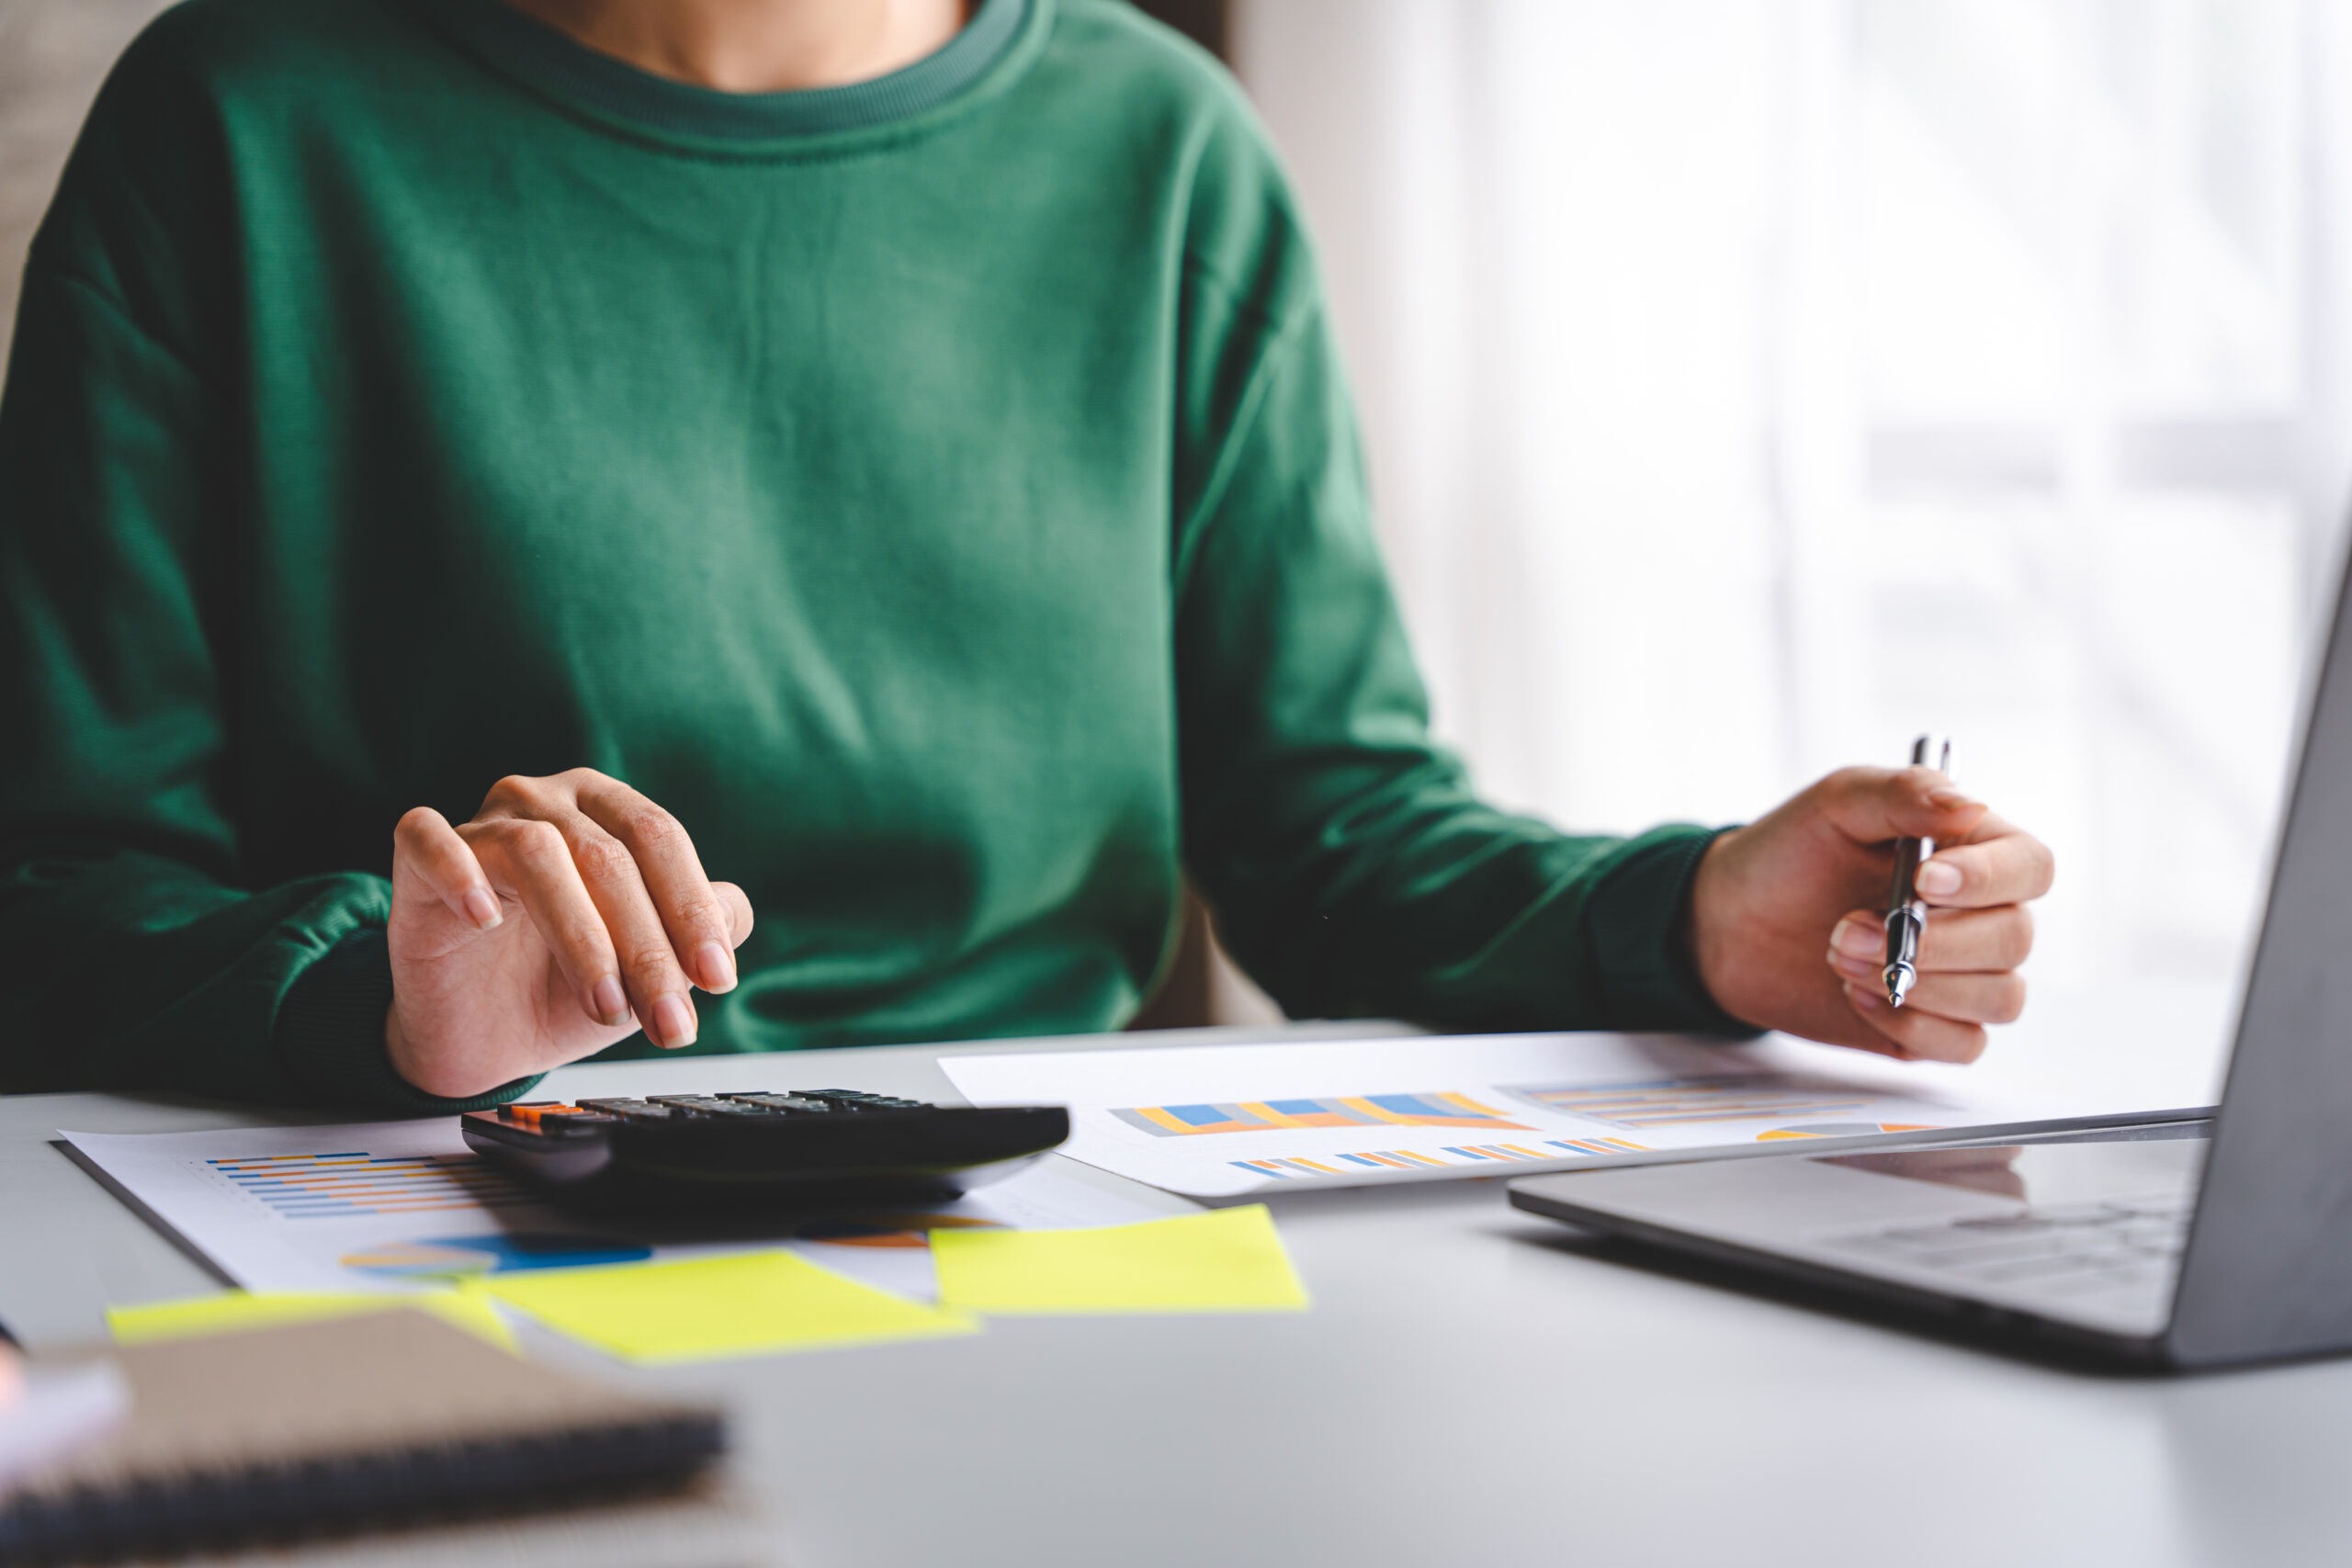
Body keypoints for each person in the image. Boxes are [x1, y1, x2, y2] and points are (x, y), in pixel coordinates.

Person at [0, 0, 2052, 1111]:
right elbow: (56, 887)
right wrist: (382, 993)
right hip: (437, 1190)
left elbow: (1332, 831)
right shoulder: (236, 119)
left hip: (1044, 1194)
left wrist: (1693, 915)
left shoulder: (1159, 151)